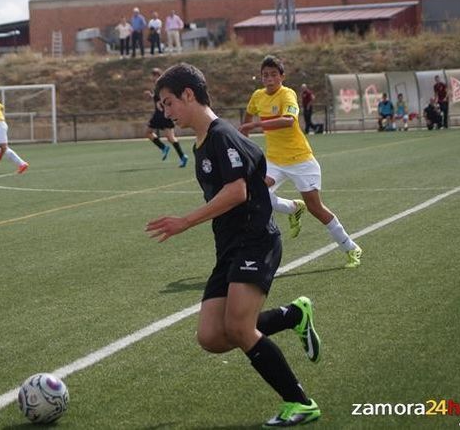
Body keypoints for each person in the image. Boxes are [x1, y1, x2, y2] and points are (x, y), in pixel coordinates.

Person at [147, 63, 322, 427]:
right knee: (212, 336)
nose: (165, 112)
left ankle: (300, 402)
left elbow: (237, 191)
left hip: (255, 241)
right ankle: (293, 315)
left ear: (189, 95)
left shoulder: (222, 135)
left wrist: (184, 221)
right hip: (229, 247)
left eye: (168, 103)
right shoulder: (202, 143)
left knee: (241, 330)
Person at [239, 56, 362, 269]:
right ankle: (293, 208)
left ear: (282, 77)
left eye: (273, 74)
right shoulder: (258, 96)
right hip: (274, 162)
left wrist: (255, 125)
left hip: (301, 160)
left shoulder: (288, 94)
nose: (269, 78)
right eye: (265, 75)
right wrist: (246, 139)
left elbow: (289, 121)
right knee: (256, 193)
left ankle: (351, 247)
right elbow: (247, 119)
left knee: (316, 208)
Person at [145, 68, 188, 167]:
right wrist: (151, 96)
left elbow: (165, 97)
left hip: (162, 114)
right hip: (160, 113)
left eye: (154, 75)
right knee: (151, 133)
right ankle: (171, 151)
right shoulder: (158, 86)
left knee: (167, 136)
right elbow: (158, 97)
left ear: (158, 75)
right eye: (152, 75)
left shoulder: (162, 86)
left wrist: (161, 104)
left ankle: (176, 154)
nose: (152, 77)